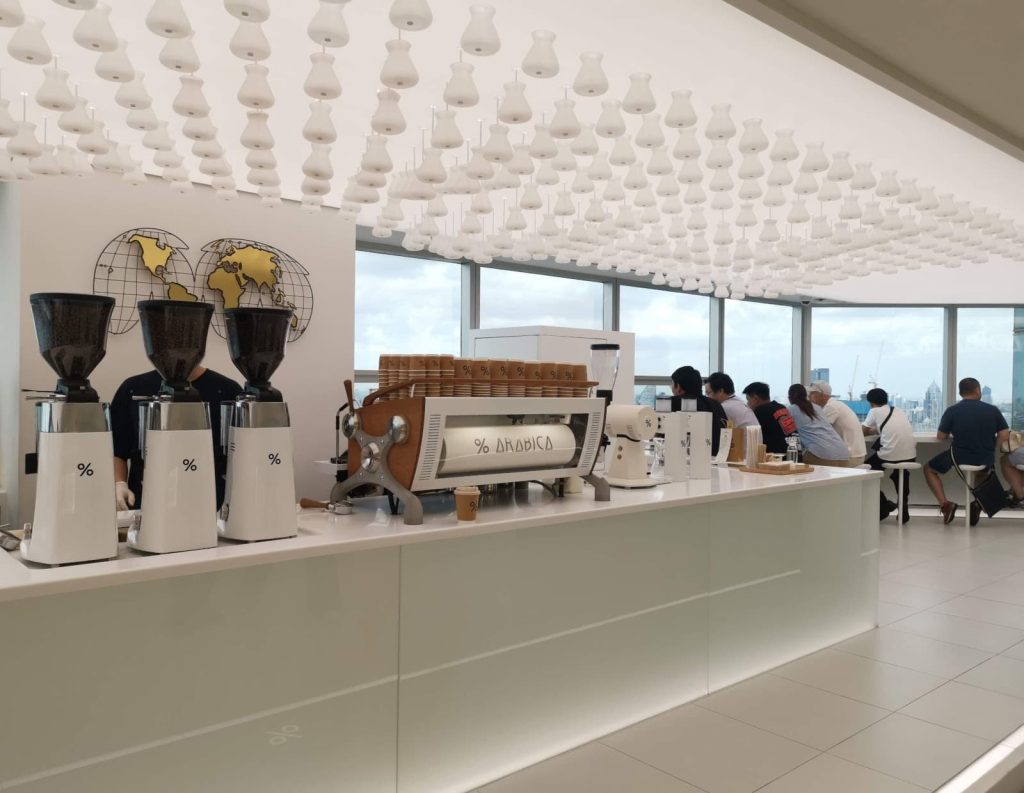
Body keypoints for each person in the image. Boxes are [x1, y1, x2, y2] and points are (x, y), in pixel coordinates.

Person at [110, 365, 242, 511]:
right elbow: (117, 450)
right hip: (146, 505)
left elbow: (240, 457)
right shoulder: (132, 388)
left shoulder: (228, 390)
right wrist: (119, 484)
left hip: (212, 507)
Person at [925, 377, 1009, 526]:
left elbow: (941, 436)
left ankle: (945, 505)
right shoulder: (992, 410)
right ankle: (977, 503)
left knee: (929, 469)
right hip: (985, 457)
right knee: (981, 474)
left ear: (960, 392)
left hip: (958, 456)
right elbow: (1004, 435)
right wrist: (991, 447)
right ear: (977, 390)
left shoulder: (952, 410)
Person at [862, 388, 918, 523]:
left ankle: (884, 507)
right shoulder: (898, 410)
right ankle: (903, 508)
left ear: (871, 402)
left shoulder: (874, 411)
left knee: (866, 475)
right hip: (911, 454)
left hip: (889, 454)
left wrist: (872, 431)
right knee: (901, 474)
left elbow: (863, 431)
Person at [787, 384, 850, 467]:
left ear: (789, 397)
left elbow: (787, 432)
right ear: (806, 395)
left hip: (821, 454)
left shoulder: (791, 409)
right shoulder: (817, 408)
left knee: (796, 471)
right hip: (843, 454)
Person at [670, 365, 728, 456]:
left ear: (679, 387)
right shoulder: (715, 405)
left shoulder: (672, 403)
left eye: (672, 384)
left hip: (683, 459)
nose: (671, 387)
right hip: (717, 458)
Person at [808, 381, 867, 466]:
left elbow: (818, 432)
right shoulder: (835, 404)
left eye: (812, 393)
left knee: (807, 460)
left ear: (823, 395)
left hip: (851, 457)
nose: (809, 396)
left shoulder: (831, 407)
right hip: (855, 454)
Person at [742, 381, 797, 455]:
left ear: (756, 399)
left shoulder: (760, 411)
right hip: (794, 454)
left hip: (776, 459)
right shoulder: (781, 407)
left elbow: (752, 436)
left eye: (748, 399)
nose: (747, 403)